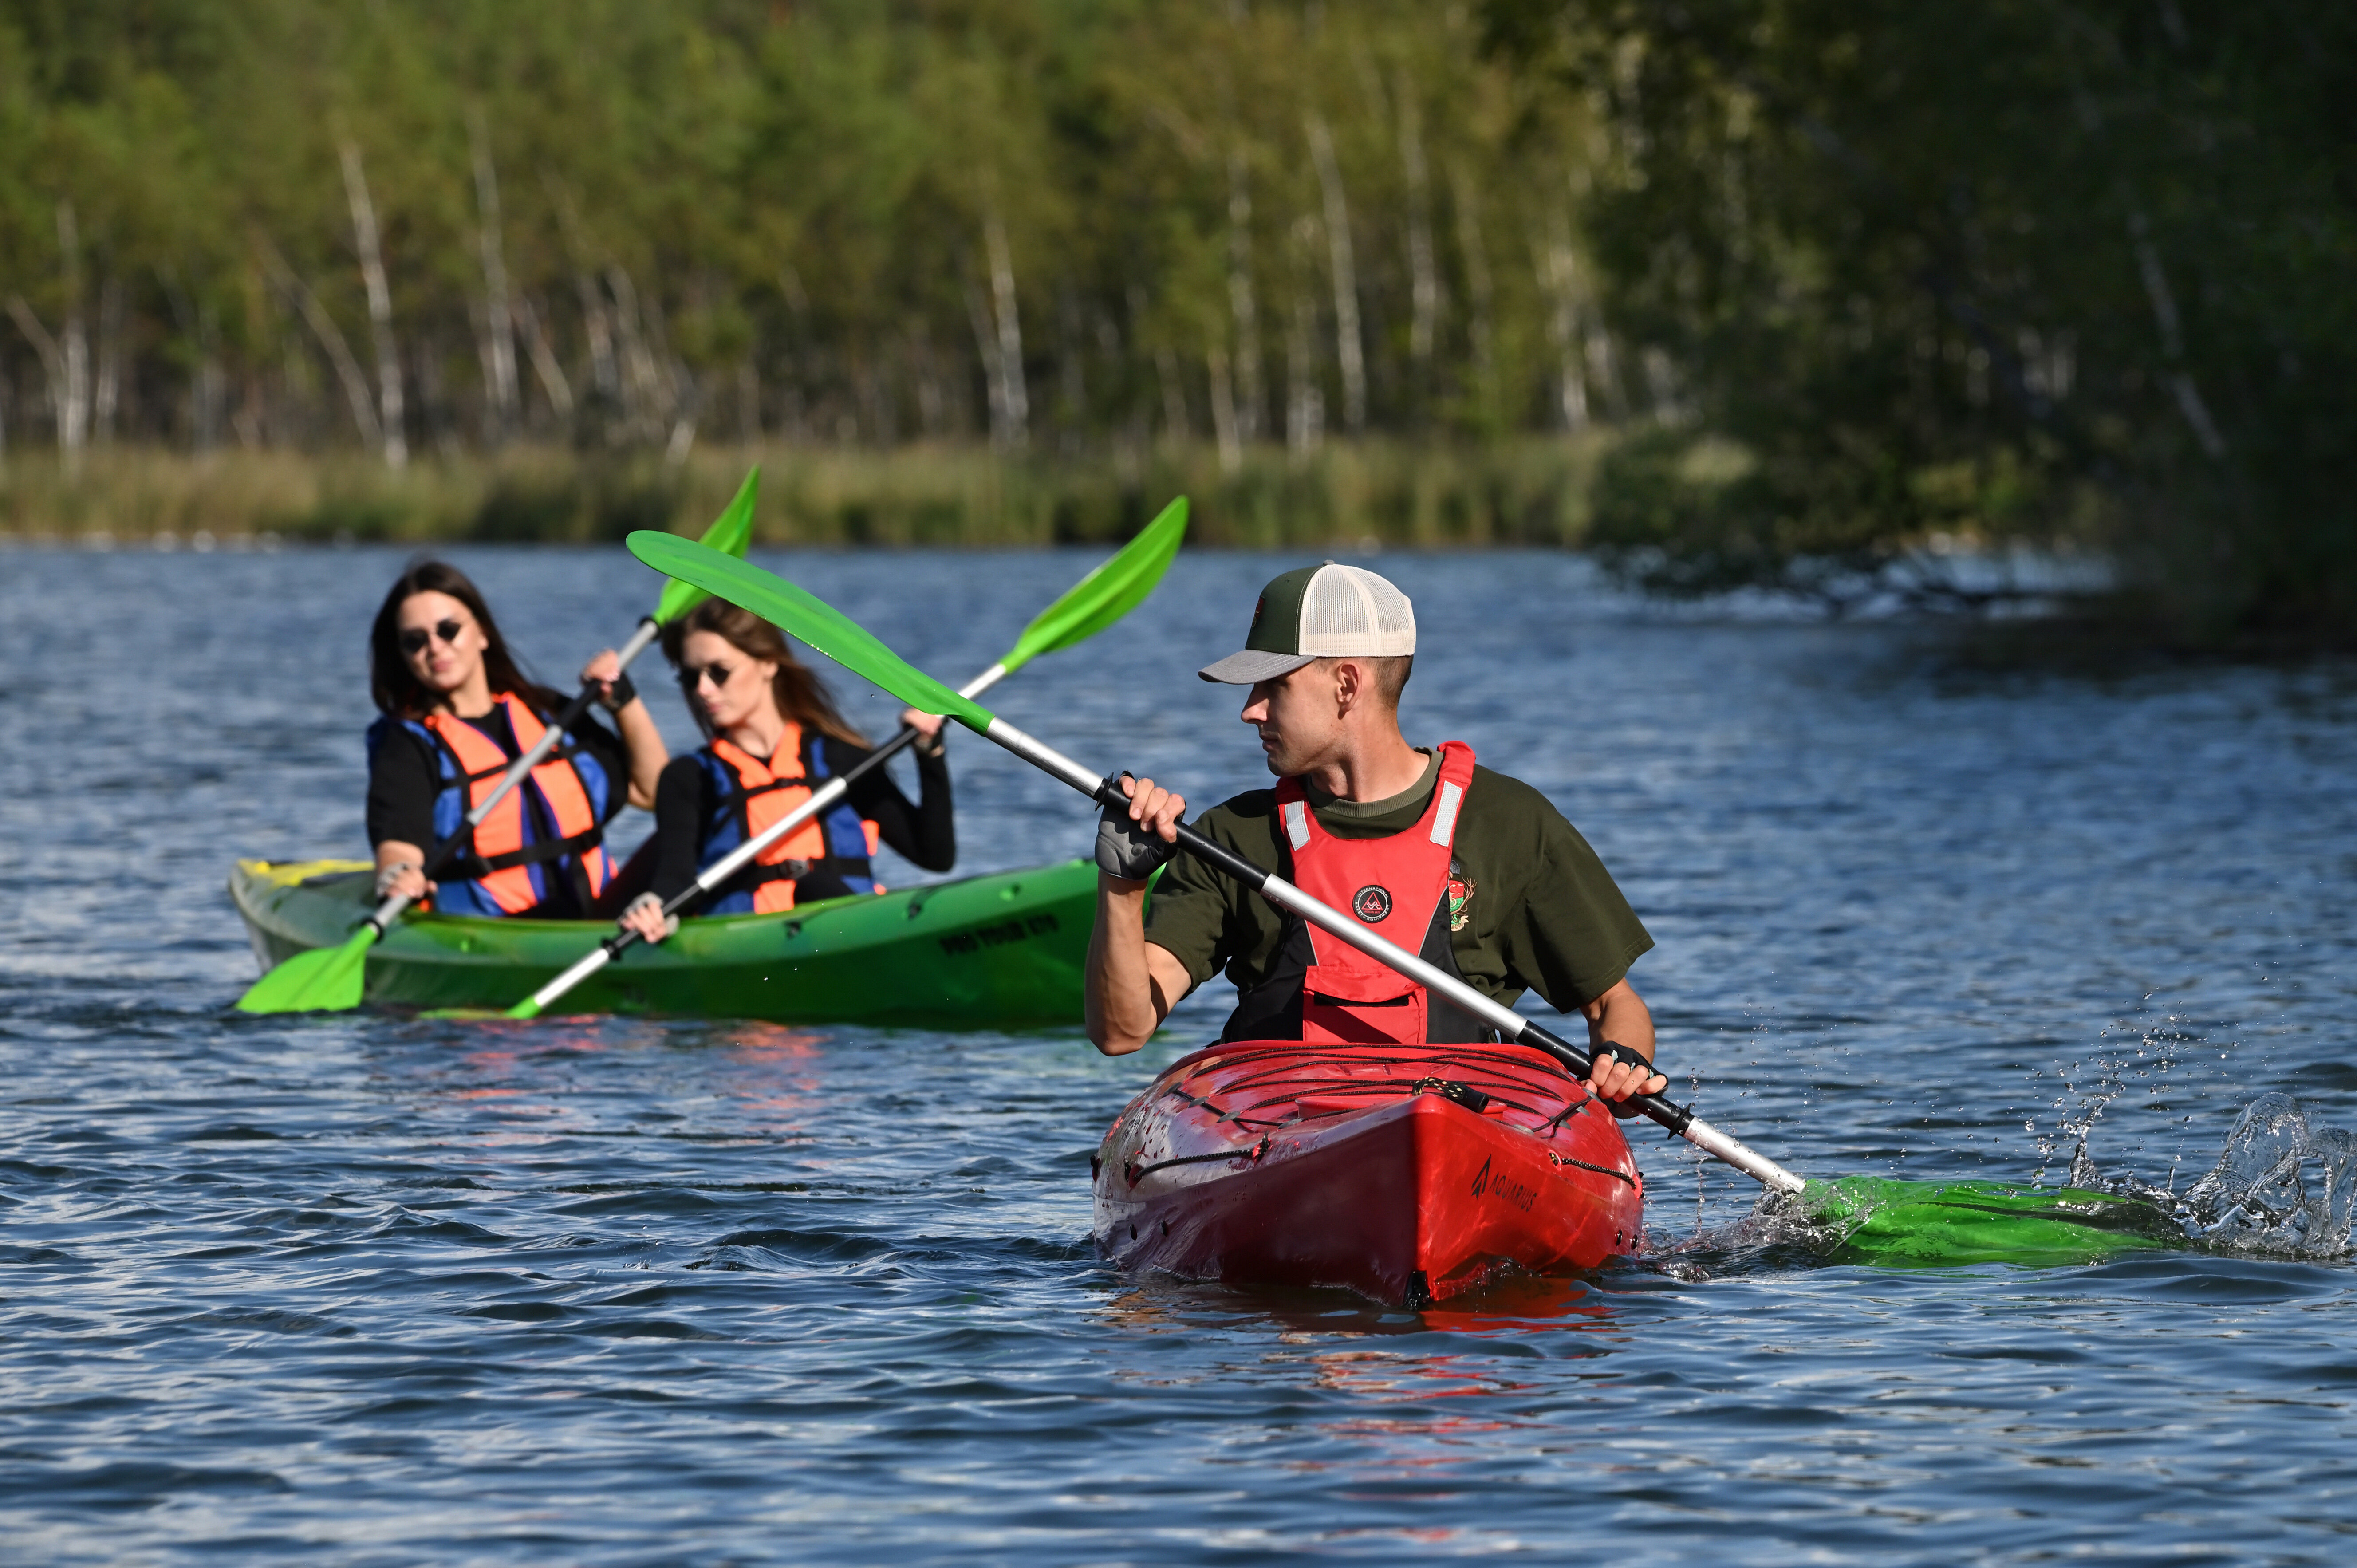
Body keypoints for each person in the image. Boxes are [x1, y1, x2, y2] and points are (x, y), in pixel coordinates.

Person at [1084, 561, 1670, 1108]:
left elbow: (1615, 1005)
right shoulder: (1234, 835)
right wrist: (1123, 883)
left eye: (1273, 686)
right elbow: (1121, 1030)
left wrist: (1623, 1059)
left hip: (1459, 1134)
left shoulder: (1510, 822)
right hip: (1278, 1135)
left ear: (1346, 683)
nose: (1250, 710)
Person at [614, 599, 955, 944]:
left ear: (768, 664)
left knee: (815, 886)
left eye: (719, 672)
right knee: (812, 887)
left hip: (850, 937)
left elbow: (935, 855)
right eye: (691, 677)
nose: (703, 690)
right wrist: (657, 909)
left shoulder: (841, 759)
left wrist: (930, 756)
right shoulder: (688, 778)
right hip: (749, 949)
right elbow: (675, 878)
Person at [367, 560, 668, 919]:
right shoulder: (407, 744)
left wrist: (623, 703)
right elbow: (399, 845)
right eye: (415, 641)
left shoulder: (547, 712)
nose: (435, 648)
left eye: (448, 630)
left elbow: (653, 793)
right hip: (499, 937)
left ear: (482, 633)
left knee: (678, 837)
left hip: (599, 920)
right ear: (402, 656)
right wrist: (397, 875)